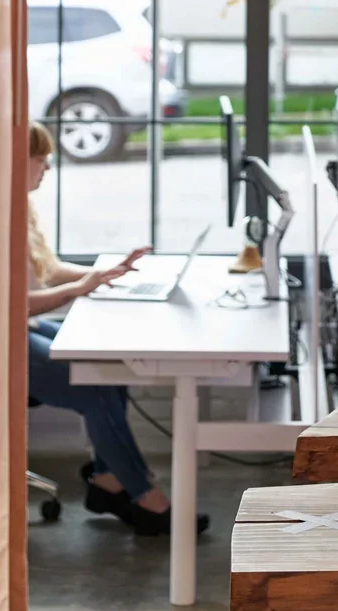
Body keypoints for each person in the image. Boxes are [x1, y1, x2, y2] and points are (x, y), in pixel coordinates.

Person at [27, 121, 208, 537]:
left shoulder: (23, 207)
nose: (48, 168)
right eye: (43, 159)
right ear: (19, 161)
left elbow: (48, 271)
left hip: (24, 327)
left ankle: (110, 481)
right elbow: (7, 303)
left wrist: (103, 274)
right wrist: (81, 288)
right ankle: (144, 496)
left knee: (109, 361)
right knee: (92, 389)